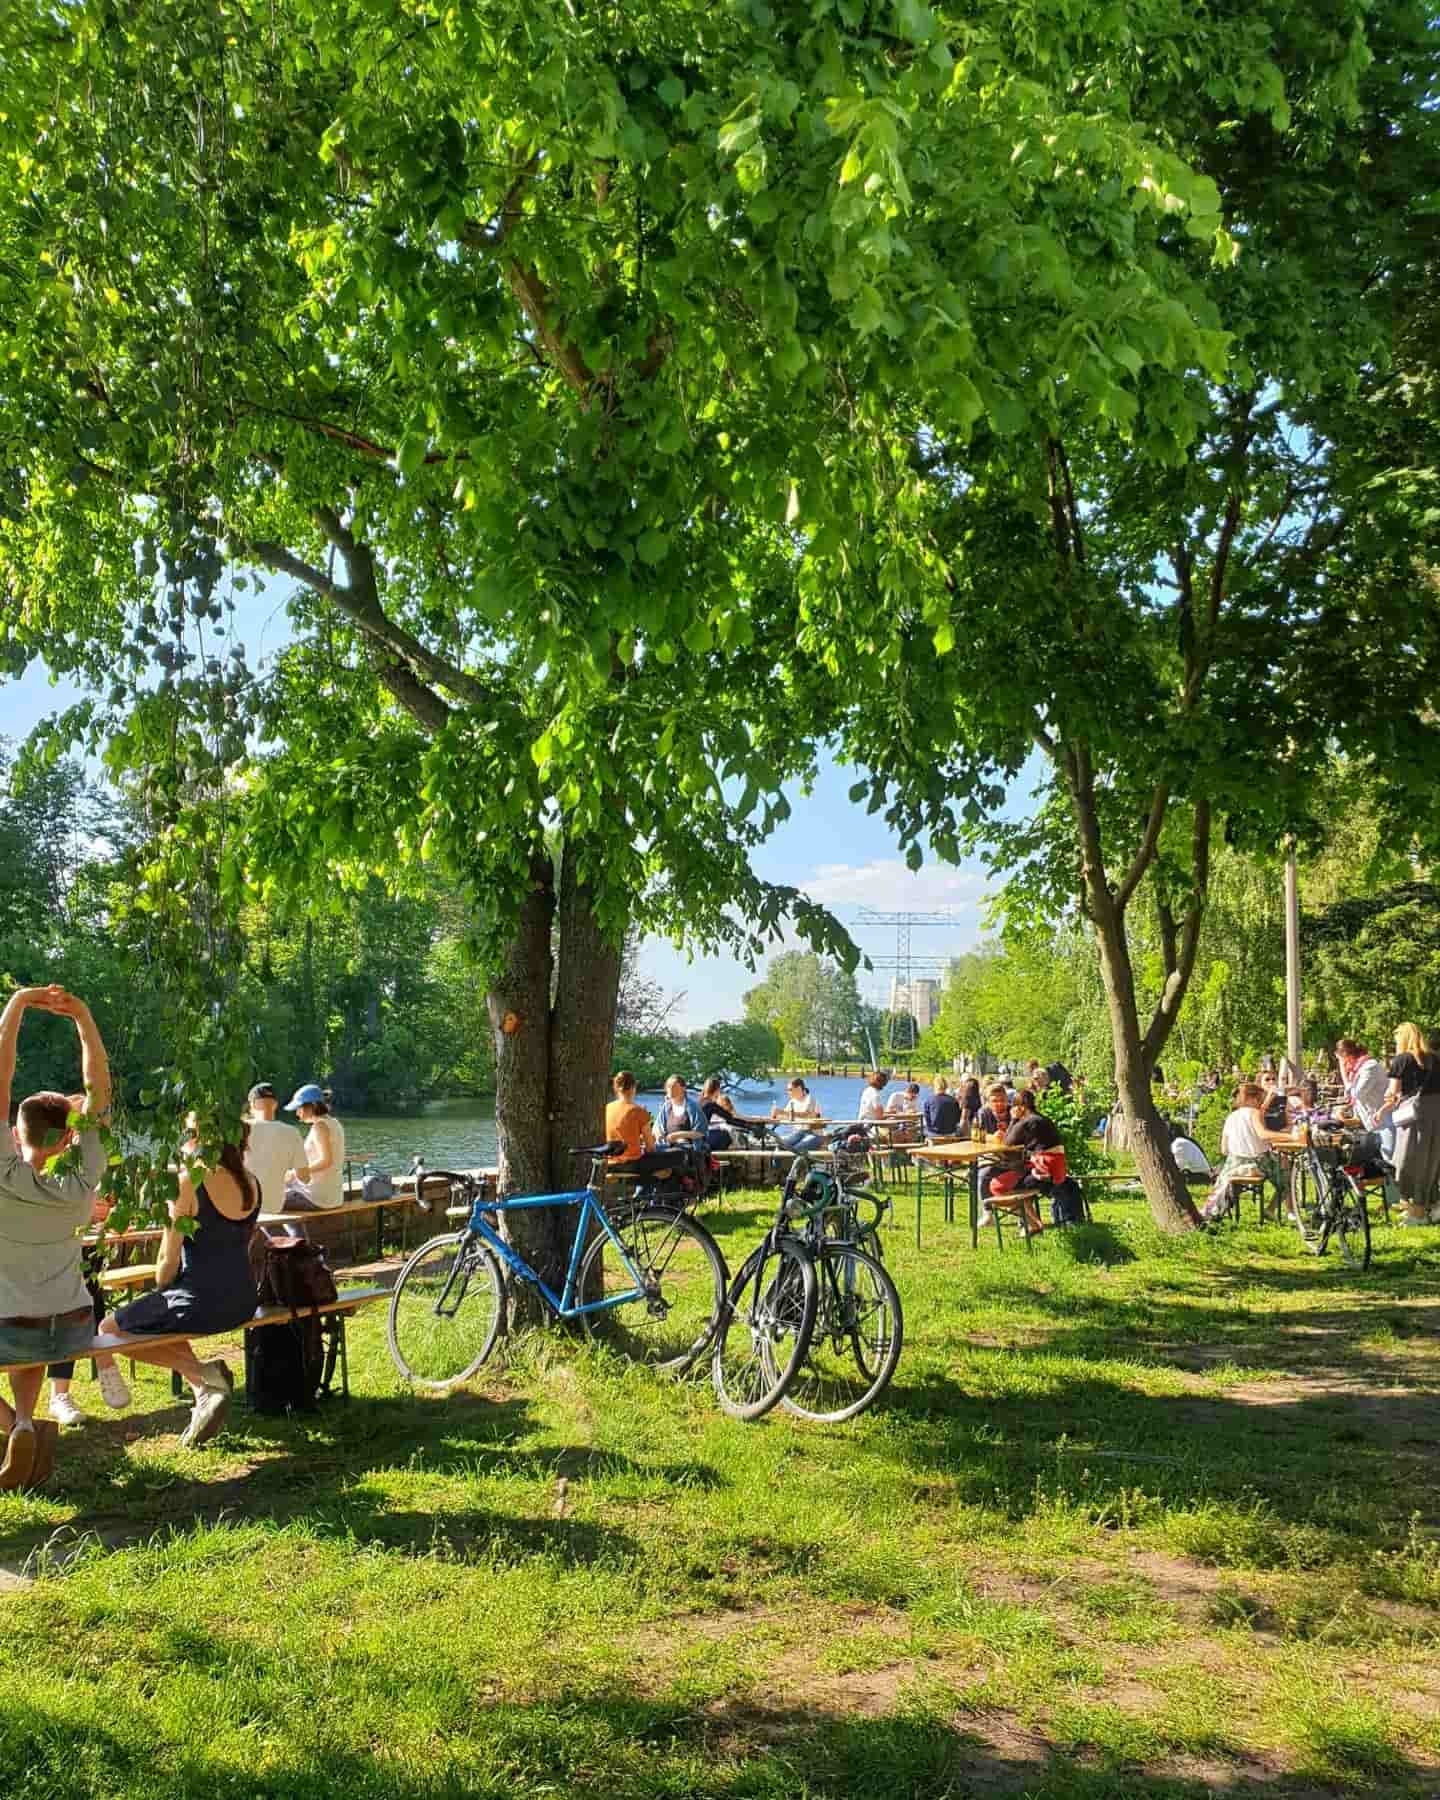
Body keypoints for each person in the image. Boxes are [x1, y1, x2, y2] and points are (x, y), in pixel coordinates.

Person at [0, 985, 112, 1490]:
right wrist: (84, 1019)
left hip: (14, 1327)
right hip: (70, 1330)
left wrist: (18, 1004)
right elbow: (99, 1091)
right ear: (68, 1137)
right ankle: (24, 1422)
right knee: (31, 1327)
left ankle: (13, 1428)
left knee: (16, 1322)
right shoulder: (83, 1182)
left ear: (16, 1131)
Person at [99, 1116, 261, 1449]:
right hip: (245, 1300)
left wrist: (159, 1285)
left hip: (201, 1301)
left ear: (199, 1139)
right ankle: (203, 1388)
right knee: (158, 1314)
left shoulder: (188, 1183)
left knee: (108, 1329)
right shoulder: (252, 1181)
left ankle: (204, 1375)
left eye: (187, 1132)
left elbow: (165, 1266)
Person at [46, 1190, 131, 1427]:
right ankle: (103, 1364)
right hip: (40, 1260)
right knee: (74, 1294)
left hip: (79, 1245)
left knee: (86, 1286)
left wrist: (111, 1215)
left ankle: (63, 1391)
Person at [1374, 1023, 1440, 1226]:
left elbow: (1392, 1094)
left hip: (1413, 1117)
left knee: (1405, 1163)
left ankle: (1417, 1213)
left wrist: (1381, 1111)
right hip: (1436, 1113)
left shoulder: (1402, 1060)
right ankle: (1430, 1208)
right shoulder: (1435, 1059)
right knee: (1431, 1162)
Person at [1202, 1083, 1291, 1221]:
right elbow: (1263, 1134)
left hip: (1233, 1166)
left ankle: (1213, 1212)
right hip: (1257, 1164)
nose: (1261, 1103)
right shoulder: (1254, 1113)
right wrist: (1291, 1136)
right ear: (1253, 1098)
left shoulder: (1231, 1117)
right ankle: (1270, 1209)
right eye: (1260, 1099)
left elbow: (1224, 1149)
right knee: (1287, 1180)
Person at [985, 1088, 1065, 1237]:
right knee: (1017, 1184)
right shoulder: (1041, 1118)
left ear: (1020, 1107)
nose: (1013, 1109)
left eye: (1014, 1106)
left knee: (997, 1185)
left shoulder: (1026, 1121)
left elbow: (1008, 1142)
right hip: (1056, 1169)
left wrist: (1014, 1119)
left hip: (1044, 1172)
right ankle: (1033, 1223)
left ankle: (1033, 1224)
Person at [279, 1084, 346, 1228]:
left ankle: (297, 1246)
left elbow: (326, 1160)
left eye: (299, 1108)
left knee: (268, 1200)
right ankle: (298, 1244)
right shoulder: (334, 1123)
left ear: (312, 1106)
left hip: (317, 1197)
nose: (297, 1113)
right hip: (333, 1196)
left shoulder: (319, 1127)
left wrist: (297, 1172)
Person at [243, 1082, 305, 1214]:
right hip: (274, 1205)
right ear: (276, 1104)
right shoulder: (292, 1132)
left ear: (252, 1105)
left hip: (244, 1204)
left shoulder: (243, 1129)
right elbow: (304, 1177)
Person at [605, 1071, 655, 1162]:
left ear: (616, 1088)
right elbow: (650, 1148)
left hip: (610, 1161)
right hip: (631, 1162)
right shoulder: (639, 1111)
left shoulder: (608, 1108)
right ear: (633, 1087)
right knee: (677, 1154)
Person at [771, 1077, 824, 1151]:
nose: (788, 1092)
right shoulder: (792, 1101)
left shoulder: (810, 1099)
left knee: (797, 1149)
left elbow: (805, 1114)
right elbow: (784, 1116)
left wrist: (782, 1112)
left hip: (814, 1134)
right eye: (787, 1090)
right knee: (780, 1147)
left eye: (790, 1090)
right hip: (799, 1133)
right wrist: (775, 1115)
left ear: (799, 1088)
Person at [655, 1074, 706, 1146]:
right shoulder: (666, 1106)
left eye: (674, 1086)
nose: (671, 1089)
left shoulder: (692, 1107)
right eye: (669, 1086)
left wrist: (678, 1135)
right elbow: (657, 1127)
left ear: (683, 1088)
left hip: (689, 1148)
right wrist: (659, 1135)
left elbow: (700, 1132)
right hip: (668, 1146)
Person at [699, 1076, 738, 1150]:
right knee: (726, 1135)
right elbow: (732, 1118)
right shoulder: (711, 1104)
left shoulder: (698, 1103)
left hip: (698, 1139)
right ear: (717, 1090)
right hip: (707, 1139)